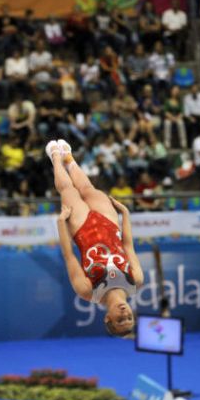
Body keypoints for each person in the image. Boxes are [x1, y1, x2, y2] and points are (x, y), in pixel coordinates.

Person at [47, 139, 145, 337]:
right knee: (88, 189)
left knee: (68, 190)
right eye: (129, 318)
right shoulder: (136, 281)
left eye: (120, 320)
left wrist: (61, 223)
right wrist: (125, 214)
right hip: (109, 224)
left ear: (107, 318)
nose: (125, 314)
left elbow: (69, 257)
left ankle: (55, 158)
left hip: (82, 229)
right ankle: (69, 159)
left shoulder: (87, 291)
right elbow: (128, 245)